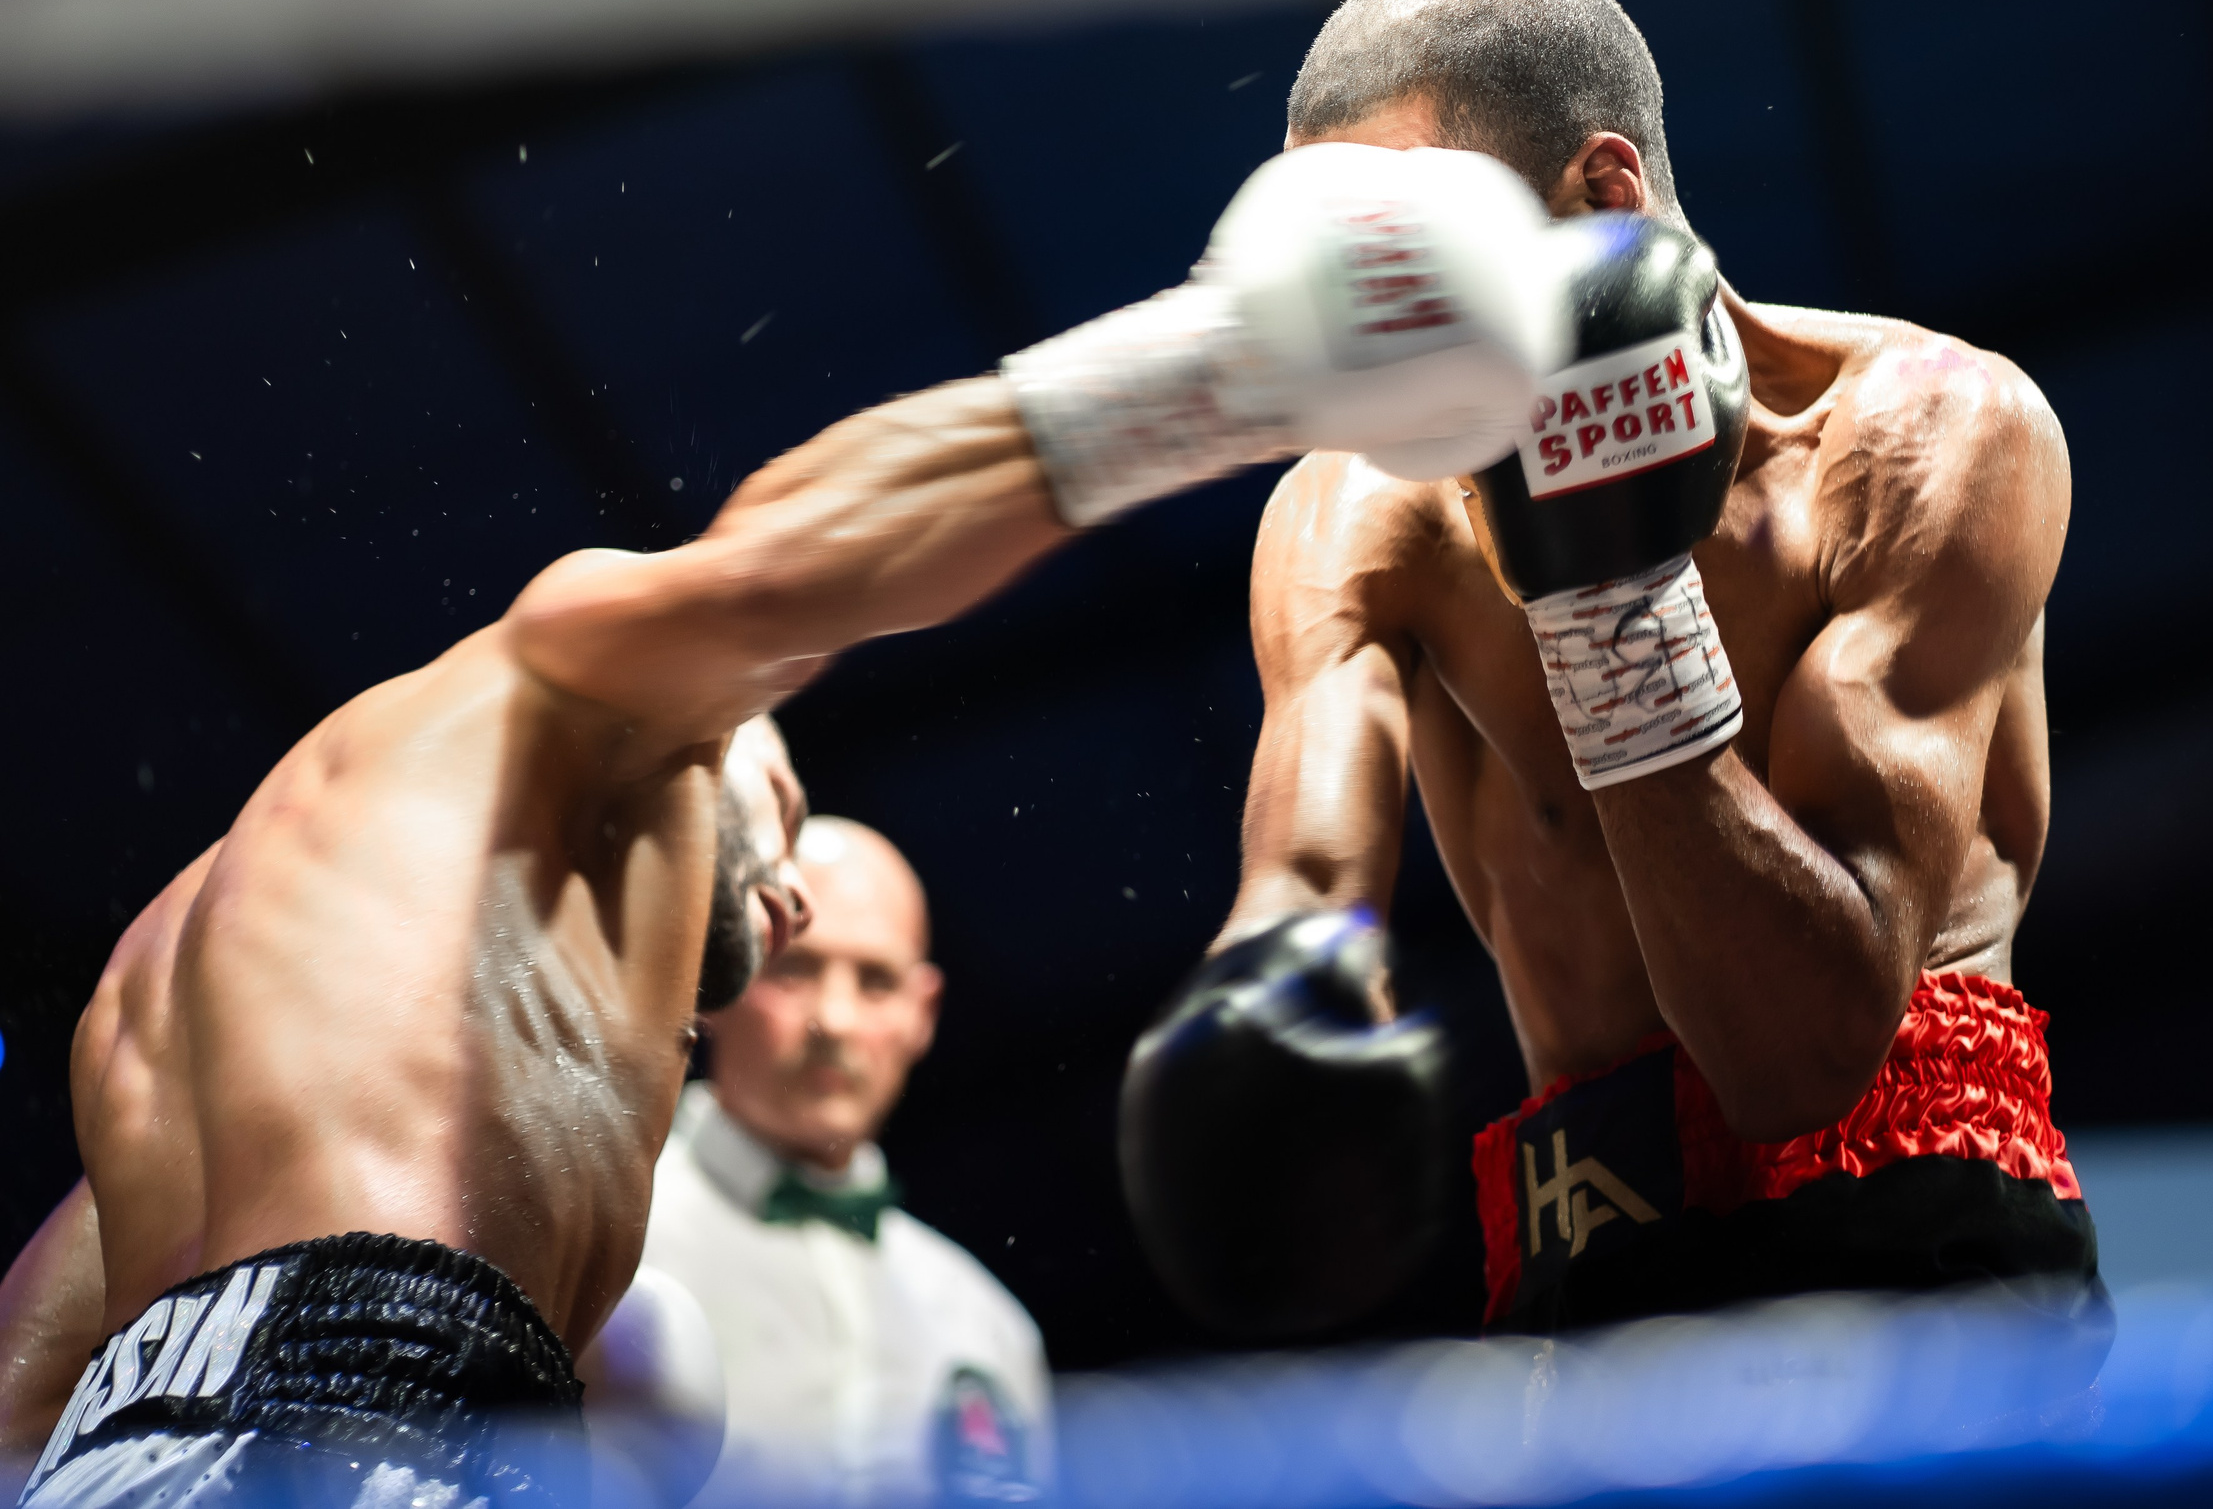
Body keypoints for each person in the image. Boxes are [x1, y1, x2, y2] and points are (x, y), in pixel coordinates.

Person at [0, 136, 1570, 1508]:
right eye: (792, 797)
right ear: (709, 721)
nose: (799, 897)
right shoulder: (562, 683)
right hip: (365, 1406)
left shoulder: (197, 963)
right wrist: (1242, 363)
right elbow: (784, 565)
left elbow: (27, 1388)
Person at [1120, 0, 2106, 1388]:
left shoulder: (1928, 438)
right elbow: (1312, 881)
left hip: (1923, 1246)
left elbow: (1800, 1054)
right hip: (1586, 1269)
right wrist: (1271, 992)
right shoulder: (1359, 507)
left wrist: (1601, 585)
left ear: (1602, 194)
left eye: (1404, 249)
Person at [608, 816, 1050, 1508]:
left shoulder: (988, 1328)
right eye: (794, 967)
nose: (834, 1020)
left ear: (924, 1011)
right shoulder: (605, 1239)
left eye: (876, 981)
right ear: (715, 975)